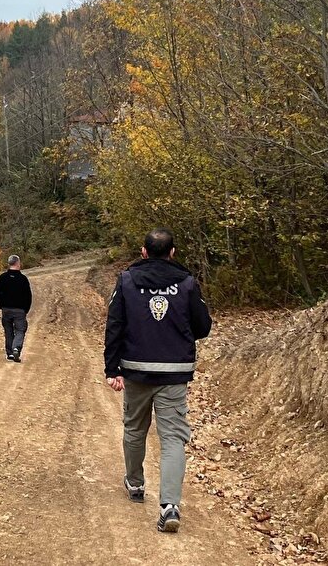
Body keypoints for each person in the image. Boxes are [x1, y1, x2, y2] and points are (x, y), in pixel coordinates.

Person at [103, 228, 212, 534]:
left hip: (136, 370)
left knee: (134, 428)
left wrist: (112, 368)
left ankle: (135, 484)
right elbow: (203, 327)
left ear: (144, 251)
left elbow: (114, 325)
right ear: (172, 252)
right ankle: (169, 507)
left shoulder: (127, 281)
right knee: (173, 438)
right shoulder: (187, 283)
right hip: (174, 372)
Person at [0, 254, 32, 362]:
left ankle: (10, 353)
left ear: (9, 264)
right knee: (20, 330)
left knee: (8, 331)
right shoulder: (23, 279)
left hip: (6, 310)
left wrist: (1, 306)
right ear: (18, 263)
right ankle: (16, 348)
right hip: (20, 310)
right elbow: (28, 296)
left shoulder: (3, 278)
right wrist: (25, 310)